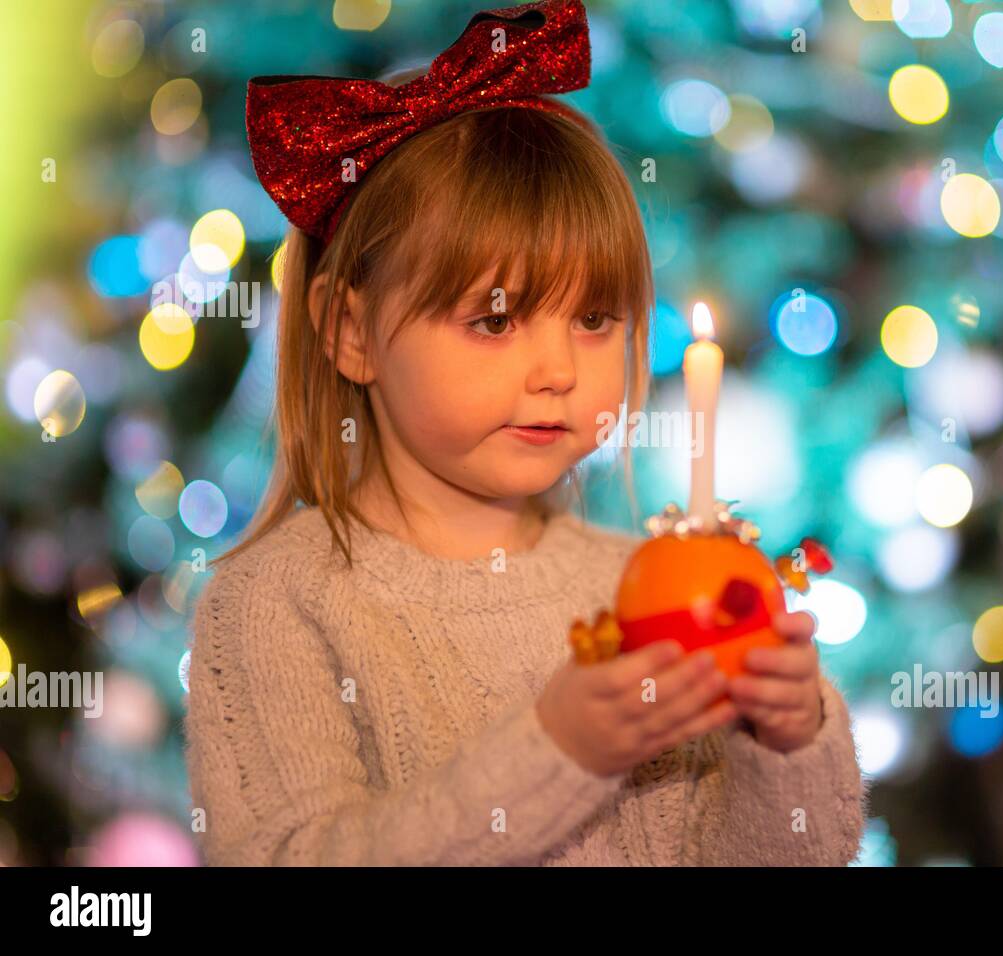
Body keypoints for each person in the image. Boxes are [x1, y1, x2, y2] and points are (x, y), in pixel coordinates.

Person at [182, 0, 866, 866]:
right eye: (496, 321)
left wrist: (786, 742)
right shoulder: (282, 603)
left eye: (593, 317)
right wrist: (558, 753)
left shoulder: (636, 588)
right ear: (349, 330)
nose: (559, 372)